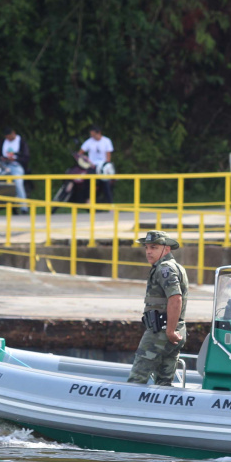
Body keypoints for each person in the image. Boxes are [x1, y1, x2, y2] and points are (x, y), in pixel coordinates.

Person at [127, 230, 189, 385]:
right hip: (173, 330)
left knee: (137, 378)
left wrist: (169, 331)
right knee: (164, 382)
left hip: (161, 332)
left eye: (153, 247)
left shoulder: (164, 269)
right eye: (147, 247)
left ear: (166, 249)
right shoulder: (175, 267)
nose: (148, 251)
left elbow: (175, 299)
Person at [79, 125, 114, 203]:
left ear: (99, 133)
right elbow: (80, 153)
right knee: (88, 181)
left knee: (106, 184)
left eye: (93, 134)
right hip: (92, 166)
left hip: (103, 166)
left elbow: (108, 155)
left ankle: (110, 204)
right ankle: (88, 199)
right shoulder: (89, 142)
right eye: (91, 135)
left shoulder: (106, 141)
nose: (92, 136)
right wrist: (84, 159)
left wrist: (106, 166)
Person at [0, 127, 30, 214]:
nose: (8, 138)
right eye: (6, 137)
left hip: (16, 166)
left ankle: (24, 208)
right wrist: (3, 158)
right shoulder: (3, 142)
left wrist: (15, 159)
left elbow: (26, 157)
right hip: (4, 166)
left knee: (18, 183)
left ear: (13, 133)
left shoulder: (21, 142)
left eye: (9, 136)